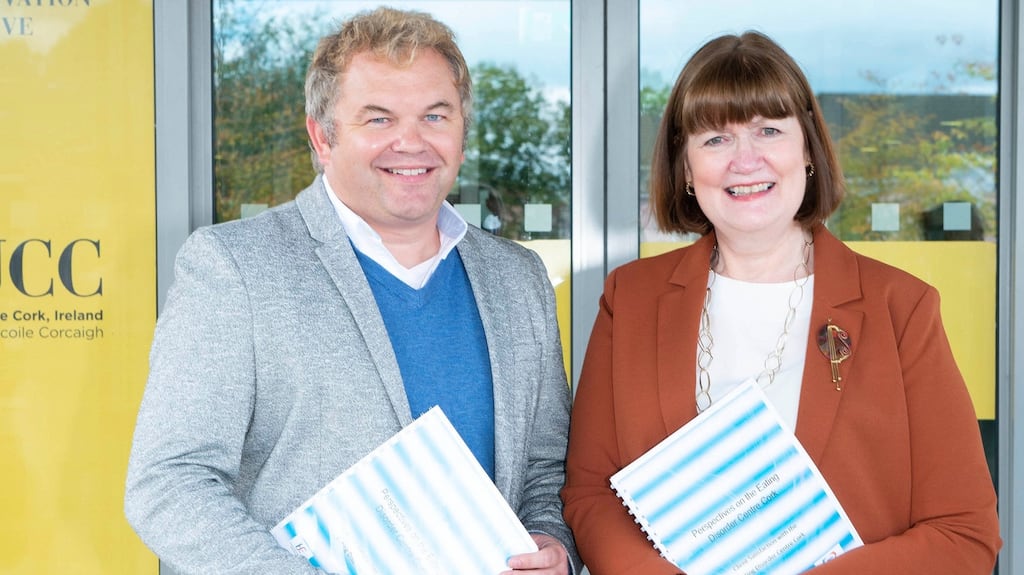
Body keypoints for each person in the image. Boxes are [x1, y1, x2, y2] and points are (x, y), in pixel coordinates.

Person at [125, 7, 578, 574]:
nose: (411, 142)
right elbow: (168, 483)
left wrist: (550, 542)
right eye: (379, 119)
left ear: (462, 133)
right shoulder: (233, 268)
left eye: (435, 116)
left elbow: (544, 470)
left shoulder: (518, 278)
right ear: (323, 137)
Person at [561, 31, 1001, 575]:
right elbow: (590, 494)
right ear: (685, 168)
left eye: (768, 130)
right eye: (715, 139)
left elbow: (965, 534)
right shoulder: (629, 300)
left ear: (808, 151)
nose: (745, 161)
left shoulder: (900, 308)